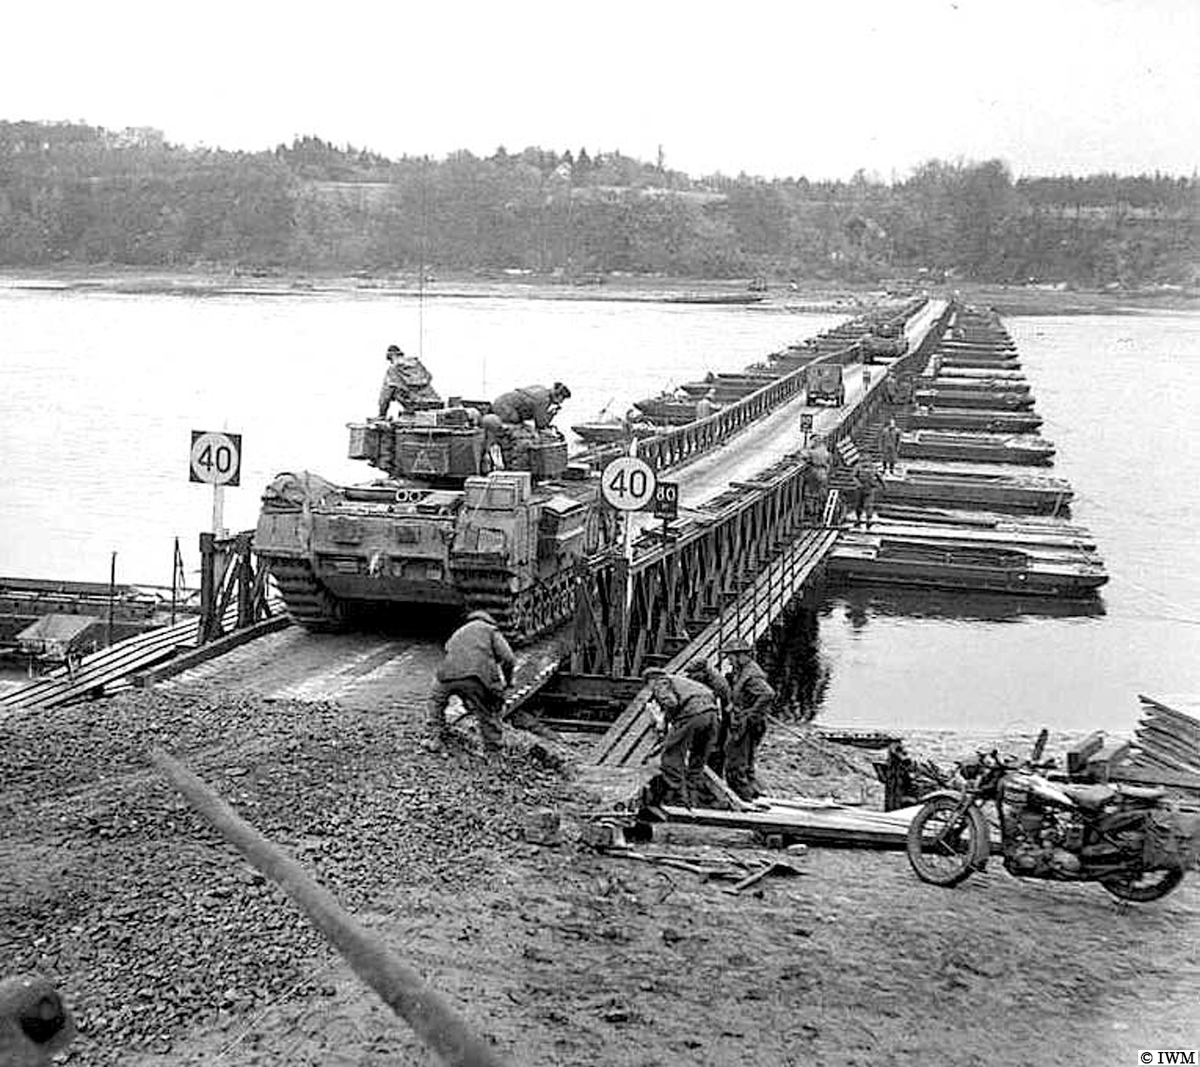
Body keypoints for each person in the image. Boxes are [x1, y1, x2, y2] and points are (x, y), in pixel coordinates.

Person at [426, 610, 515, 757]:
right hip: (476, 677)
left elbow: (449, 650)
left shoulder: (459, 632)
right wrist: (508, 681)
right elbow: (509, 659)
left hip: (446, 675)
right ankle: (494, 753)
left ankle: (434, 738)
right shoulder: (490, 630)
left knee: (435, 701)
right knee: (489, 711)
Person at [643, 667, 718, 807]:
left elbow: (671, 702)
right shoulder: (684, 682)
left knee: (671, 756)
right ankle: (693, 798)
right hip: (712, 715)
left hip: (692, 715)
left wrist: (668, 726)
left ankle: (679, 800)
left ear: (651, 681)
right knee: (698, 758)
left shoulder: (661, 683)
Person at [722, 638, 776, 801]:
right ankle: (753, 794)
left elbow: (768, 694)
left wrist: (749, 714)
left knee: (735, 763)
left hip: (748, 724)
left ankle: (743, 799)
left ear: (741, 655)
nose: (728, 660)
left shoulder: (751, 675)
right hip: (750, 722)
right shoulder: (742, 671)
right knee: (746, 761)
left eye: (730, 656)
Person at [684, 657, 732, 776]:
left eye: (694, 674)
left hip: (721, 714)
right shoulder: (701, 678)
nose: (692, 677)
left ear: (703, 671)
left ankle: (715, 774)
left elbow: (721, 710)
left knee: (716, 746)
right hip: (708, 710)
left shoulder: (718, 685)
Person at [377, 344, 441, 418]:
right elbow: (429, 377)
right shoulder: (418, 365)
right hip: (435, 403)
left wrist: (382, 415)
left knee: (392, 388)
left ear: (390, 357)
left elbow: (385, 396)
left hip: (414, 406)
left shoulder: (393, 370)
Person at [490, 383, 571, 431]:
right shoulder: (544, 400)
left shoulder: (541, 388)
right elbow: (540, 424)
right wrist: (552, 413)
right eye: (562, 399)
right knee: (524, 431)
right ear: (559, 396)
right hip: (505, 409)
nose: (562, 402)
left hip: (500, 402)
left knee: (526, 427)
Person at [799, 432, 831, 522]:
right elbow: (829, 459)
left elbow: (804, 455)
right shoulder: (824, 449)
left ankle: (811, 512)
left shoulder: (814, 451)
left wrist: (807, 449)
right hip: (823, 472)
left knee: (811, 492)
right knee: (822, 492)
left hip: (814, 471)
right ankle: (820, 511)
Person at [851, 455, 886, 528]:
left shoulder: (873, 467)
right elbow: (854, 476)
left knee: (869, 505)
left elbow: (878, 476)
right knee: (858, 505)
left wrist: (883, 484)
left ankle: (868, 520)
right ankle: (858, 519)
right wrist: (858, 483)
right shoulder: (858, 467)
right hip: (860, 488)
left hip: (870, 488)